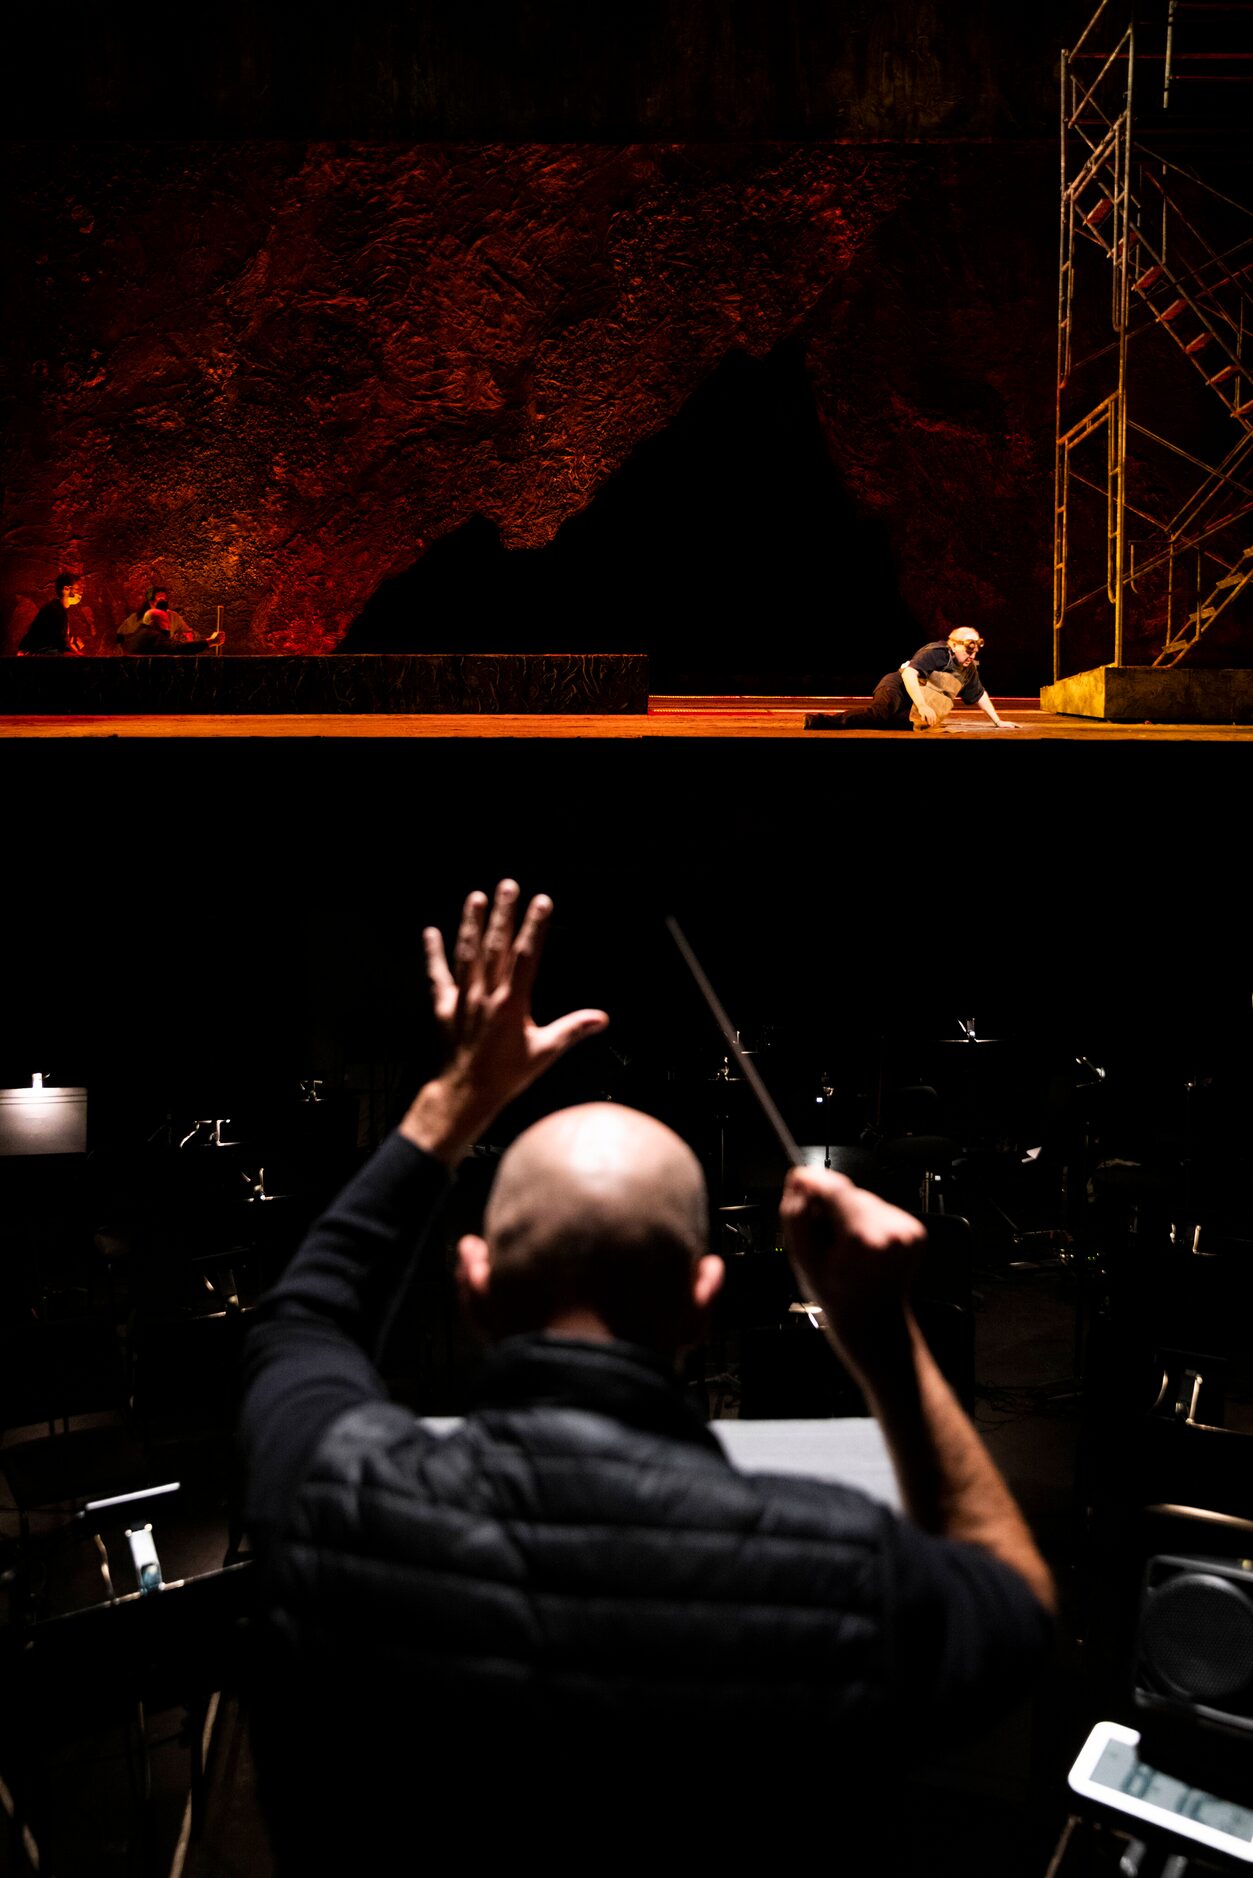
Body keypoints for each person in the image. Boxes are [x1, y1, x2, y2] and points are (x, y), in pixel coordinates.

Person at [239, 881, 1053, 1869]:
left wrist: (454, 1098)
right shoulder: (837, 1567)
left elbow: (302, 1319)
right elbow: (1015, 1608)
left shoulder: (335, 1497)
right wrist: (881, 1334)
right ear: (705, 1304)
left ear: (474, 1286)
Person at [806, 627, 1017, 730]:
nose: (971, 656)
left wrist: (998, 721)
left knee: (906, 725)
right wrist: (923, 705)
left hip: (915, 701)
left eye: (975, 652)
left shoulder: (968, 668)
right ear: (953, 645)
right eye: (967, 650)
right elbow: (909, 673)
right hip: (898, 686)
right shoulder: (938, 652)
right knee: (881, 712)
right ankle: (819, 721)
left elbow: (979, 694)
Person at [116, 583, 222, 654]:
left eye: (165, 600)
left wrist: (189, 637)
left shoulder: (172, 616)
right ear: (150, 602)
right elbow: (175, 649)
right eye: (159, 601)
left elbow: (188, 633)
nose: (167, 627)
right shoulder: (147, 630)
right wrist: (210, 642)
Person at [17, 573, 85, 655]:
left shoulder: (59, 609)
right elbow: (57, 643)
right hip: (37, 654)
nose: (81, 593)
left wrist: (74, 646)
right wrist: (74, 651)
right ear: (66, 589)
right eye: (78, 589)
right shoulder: (55, 611)